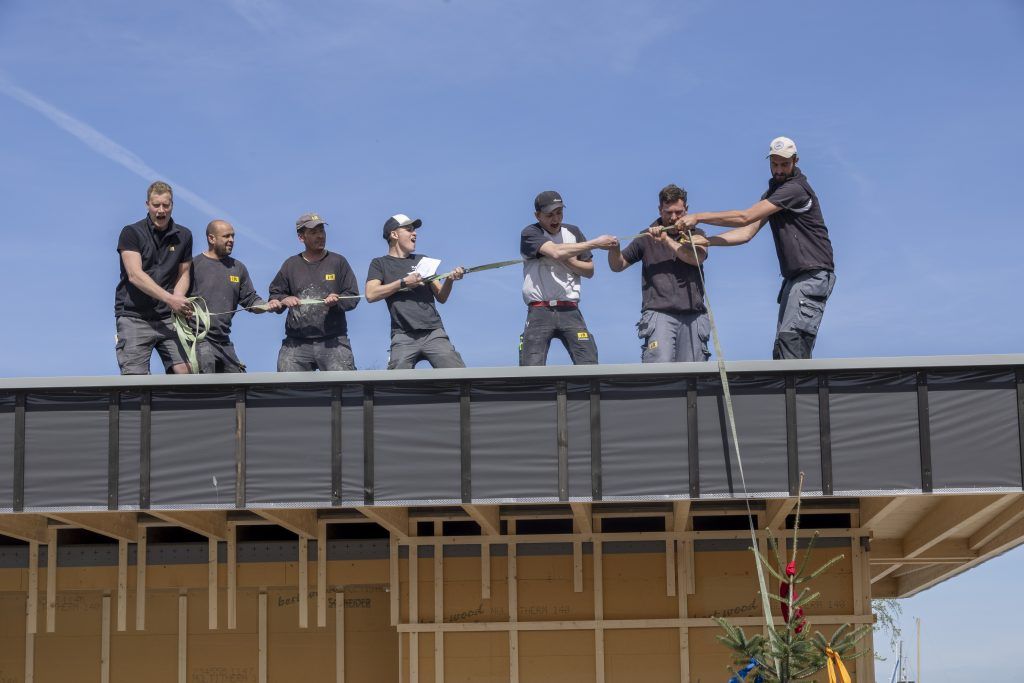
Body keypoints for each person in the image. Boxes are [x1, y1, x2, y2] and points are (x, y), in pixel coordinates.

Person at [683, 137, 836, 359]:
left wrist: (698, 217)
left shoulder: (795, 189)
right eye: (775, 164)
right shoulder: (773, 195)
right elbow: (746, 233)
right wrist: (708, 241)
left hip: (813, 275)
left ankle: (801, 393)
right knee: (782, 347)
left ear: (795, 161)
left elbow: (745, 217)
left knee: (791, 342)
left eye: (784, 164)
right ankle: (788, 392)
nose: (779, 169)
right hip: (794, 280)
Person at [607, 184, 711, 362]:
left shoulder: (697, 233)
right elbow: (617, 265)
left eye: (678, 212)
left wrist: (666, 241)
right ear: (659, 209)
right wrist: (614, 249)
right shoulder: (646, 236)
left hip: (694, 316)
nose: (673, 217)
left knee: (695, 379)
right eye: (668, 212)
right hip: (659, 314)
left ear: (686, 209)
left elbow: (697, 258)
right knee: (660, 372)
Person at [519, 190, 618, 366]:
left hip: (570, 309)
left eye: (559, 213)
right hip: (539, 310)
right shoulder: (530, 233)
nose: (555, 219)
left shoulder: (573, 232)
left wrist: (570, 261)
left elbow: (589, 271)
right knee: (531, 369)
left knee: (588, 364)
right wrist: (595, 243)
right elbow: (556, 252)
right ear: (537, 215)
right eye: (549, 215)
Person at [365, 214, 467, 369]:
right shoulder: (379, 264)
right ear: (394, 234)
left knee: (458, 375)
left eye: (414, 230)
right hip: (402, 336)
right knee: (395, 385)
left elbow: (442, 296)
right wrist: (403, 282)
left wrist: (450, 279)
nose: (415, 233)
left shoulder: (423, 260)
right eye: (409, 229)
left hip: (433, 332)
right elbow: (371, 294)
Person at [114, 181, 193, 375]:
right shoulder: (131, 232)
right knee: (136, 379)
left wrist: (179, 299)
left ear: (172, 205)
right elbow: (135, 275)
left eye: (166, 205)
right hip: (134, 317)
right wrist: (170, 299)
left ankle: (174, 405)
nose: (161, 210)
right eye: (156, 205)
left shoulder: (184, 235)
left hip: (168, 317)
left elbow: (183, 273)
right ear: (147, 205)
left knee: (185, 371)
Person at [268, 213, 360, 371]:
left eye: (322, 231)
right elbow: (275, 295)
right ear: (301, 237)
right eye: (314, 232)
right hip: (296, 343)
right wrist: (284, 299)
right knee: (287, 390)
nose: (320, 236)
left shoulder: (338, 262)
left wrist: (338, 301)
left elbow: (353, 296)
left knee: (346, 390)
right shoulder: (291, 265)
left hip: (334, 341)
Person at [190, 220, 283, 373]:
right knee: (205, 383)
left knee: (238, 384)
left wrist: (267, 306)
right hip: (199, 339)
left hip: (224, 341)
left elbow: (251, 300)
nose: (231, 240)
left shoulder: (238, 268)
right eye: (226, 236)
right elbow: (178, 299)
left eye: (233, 236)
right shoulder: (194, 265)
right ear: (211, 239)